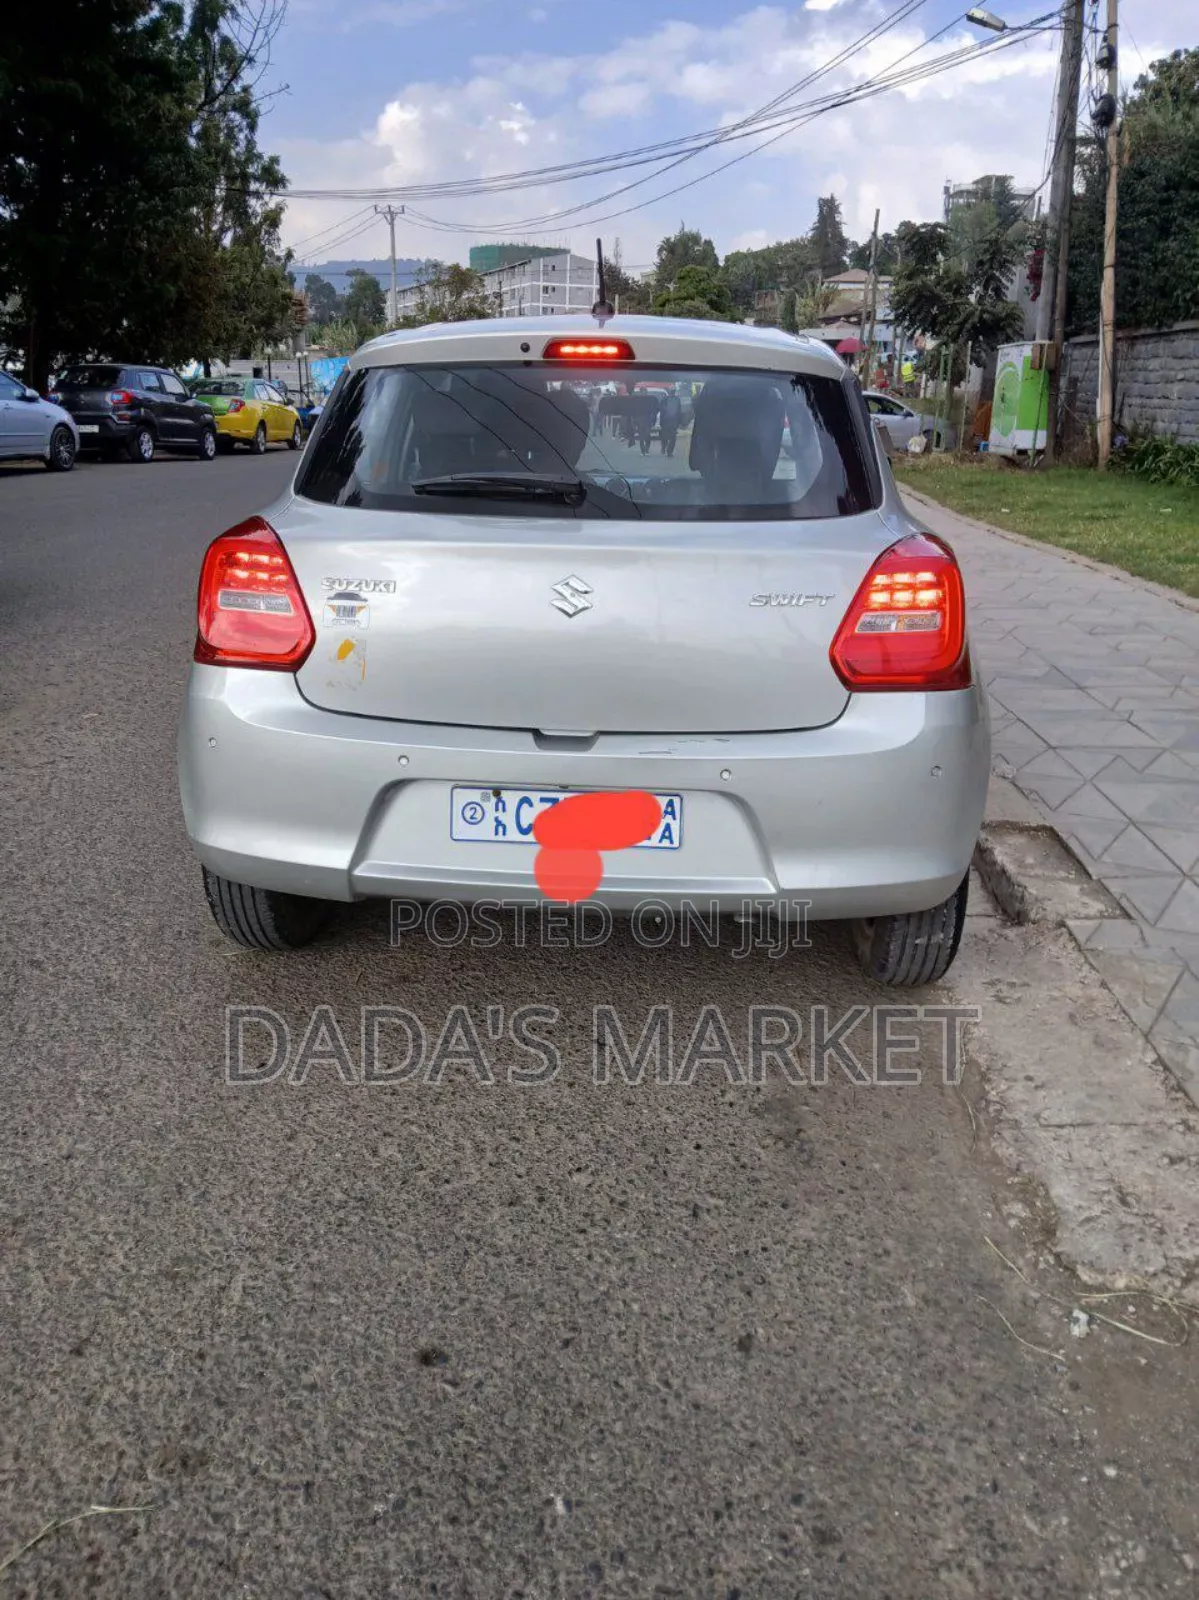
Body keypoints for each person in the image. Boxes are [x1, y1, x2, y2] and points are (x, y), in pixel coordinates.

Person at [658, 391, 681, 457]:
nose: (672, 393)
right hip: (666, 420)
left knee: (673, 437)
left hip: (674, 420)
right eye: (671, 392)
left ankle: (669, 451)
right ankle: (663, 446)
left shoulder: (677, 399)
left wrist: (679, 421)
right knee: (664, 436)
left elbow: (679, 410)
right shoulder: (665, 399)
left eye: (673, 392)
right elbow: (661, 408)